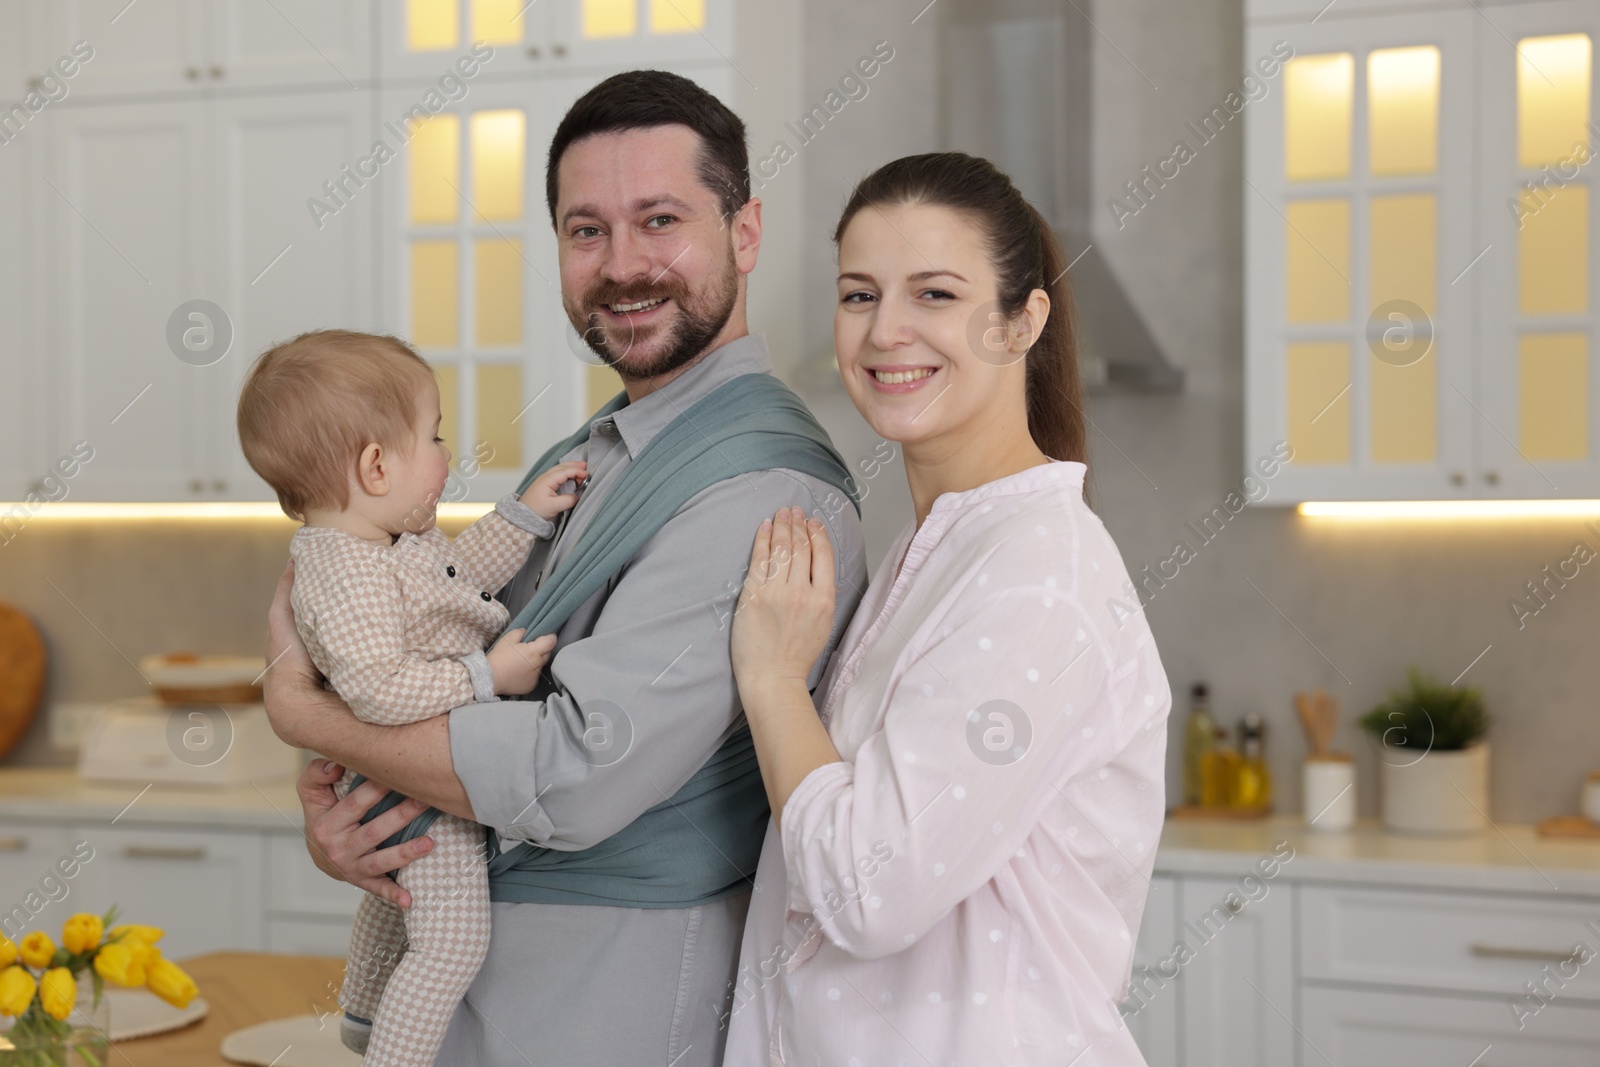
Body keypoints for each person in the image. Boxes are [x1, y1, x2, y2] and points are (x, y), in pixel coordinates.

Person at [259, 71, 869, 1067]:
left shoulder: (759, 488)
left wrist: (302, 714)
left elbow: (570, 773)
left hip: (605, 1005)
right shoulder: (592, 453)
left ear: (745, 232)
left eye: (659, 219)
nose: (622, 264)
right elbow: (419, 656)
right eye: (586, 231)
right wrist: (349, 813)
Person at [723, 152, 1171, 1065]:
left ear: (1022, 321)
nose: (886, 331)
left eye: (934, 294)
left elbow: (864, 887)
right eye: (859, 295)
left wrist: (771, 679)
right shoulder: (936, 550)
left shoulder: (1040, 574)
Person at [237, 329, 587, 1065]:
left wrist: (522, 516)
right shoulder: (347, 569)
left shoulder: (382, 544)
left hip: (405, 771)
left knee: (394, 903)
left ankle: (364, 1015)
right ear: (374, 465)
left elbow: (454, 581)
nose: (445, 455)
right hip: (419, 774)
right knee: (452, 942)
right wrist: (487, 676)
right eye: (432, 436)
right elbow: (376, 689)